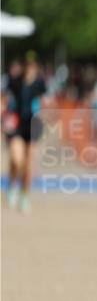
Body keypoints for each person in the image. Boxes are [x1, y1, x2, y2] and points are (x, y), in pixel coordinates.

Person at [3, 57, 48, 213]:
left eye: (33, 66)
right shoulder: (14, 82)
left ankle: (24, 195)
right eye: (28, 66)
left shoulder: (40, 85)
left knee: (28, 164)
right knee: (17, 160)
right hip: (16, 125)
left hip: (32, 126)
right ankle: (12, 186)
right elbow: (5, 100)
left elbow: (45, 103)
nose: (30, 69)